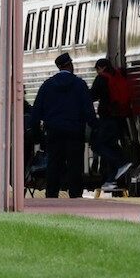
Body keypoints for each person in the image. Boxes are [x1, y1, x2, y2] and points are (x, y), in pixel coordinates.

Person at [29, 52, 97, 198]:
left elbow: (36, 113)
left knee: (54, 165)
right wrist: (95, 129)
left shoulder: (47, 85)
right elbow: (89, 111)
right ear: (70, 65)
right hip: (75, 132)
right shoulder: (80, 84)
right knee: (75, 166)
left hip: (54, 132)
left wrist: (38, 136)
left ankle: (51, 195)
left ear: (59, 67)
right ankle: (75, 196)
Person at [90, 58, 133, 191]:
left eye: (97, 69)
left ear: (101, 68)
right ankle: (111, 180)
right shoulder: (118, 76)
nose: (97, 72)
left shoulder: (102, 78)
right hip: (120, 118)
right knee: (111, 146)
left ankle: (122, 162)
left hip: (107, 118)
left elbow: (92, 96)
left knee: (98, 145)